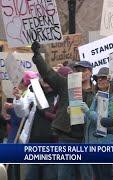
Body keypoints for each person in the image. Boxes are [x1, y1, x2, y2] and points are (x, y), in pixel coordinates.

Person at [31, 42, 93, 180]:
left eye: (83, 70)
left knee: (85, 176)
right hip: (66, 138)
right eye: (78, 70)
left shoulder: (97, 92)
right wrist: (37, 56)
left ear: (90, 72)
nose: (80, 73)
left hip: (86, 140)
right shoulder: (66, 84)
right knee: (64, 176)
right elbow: (48, 74)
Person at [13, 71, 58, 180]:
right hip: (32, 145)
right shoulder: (33, 91)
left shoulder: (60, 94)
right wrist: (18, 99)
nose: (45, 80)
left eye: (48, 77)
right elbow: (22, 112)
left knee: (50, 177)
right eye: (42, 77)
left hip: (52, 146)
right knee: (30, 176)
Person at [84, 67, 113, 180]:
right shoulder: (98, 95)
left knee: (105, 176)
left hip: (103, 144)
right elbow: (89, 117)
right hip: (92, 144)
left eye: (103, 78)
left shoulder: (112, 98)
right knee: (97, 176)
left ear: (110, 80)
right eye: (98, 78)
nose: (100, 80)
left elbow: (105, 121)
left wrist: (87, 111)